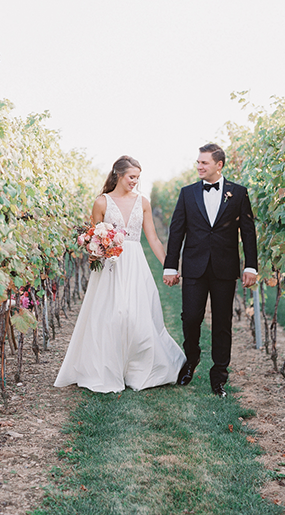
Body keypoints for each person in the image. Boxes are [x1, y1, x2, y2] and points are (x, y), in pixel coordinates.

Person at [55, 156, 185, 392]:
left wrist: (169, 265)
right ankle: (107, 368)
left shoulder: (143, 202)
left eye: (138, 177)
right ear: (118, 175)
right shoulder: (102, 202)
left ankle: (137, 368)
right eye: (131, 177)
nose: (135, 181)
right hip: (110, 265)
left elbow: (153, 239)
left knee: (137, 316)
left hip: (135, 262)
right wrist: (96, 250)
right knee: (111, 314)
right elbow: (94, 237)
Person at [162, 143, 258, 397]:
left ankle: (219, 377)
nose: (199, 166)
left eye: (204, 162)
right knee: (191, 317)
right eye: (198, 162)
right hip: (194, 266)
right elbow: (176, 231)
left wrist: (250, 266)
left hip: (225, 268)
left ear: (219, 165)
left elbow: (248, 232)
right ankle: (191, 358)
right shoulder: (187, 193)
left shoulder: (238, 193)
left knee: (222, 322)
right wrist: (171, 266)